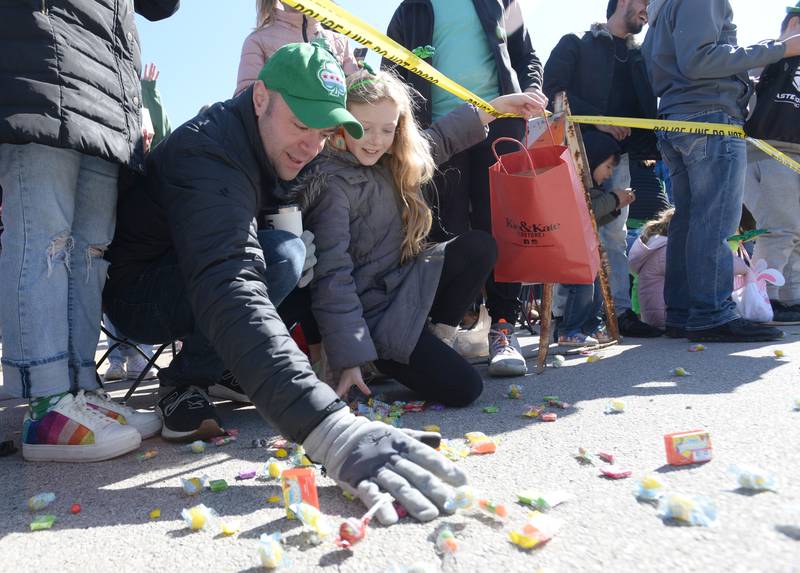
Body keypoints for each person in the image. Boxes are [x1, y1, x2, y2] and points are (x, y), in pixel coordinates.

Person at [104, 42, 470, 525]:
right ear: (260, 98)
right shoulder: (208, 150)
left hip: (200, 275)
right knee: (281, 258)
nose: (310, 146)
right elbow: (231, 283)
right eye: (300, 126)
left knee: (292, 255)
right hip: (140, 293)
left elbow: (406, 151)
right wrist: (328, 428)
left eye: (322, 132)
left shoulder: (291, 146)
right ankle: (184, 380)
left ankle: (237, 363)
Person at [0, 0, 179, 463]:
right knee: (44, 237)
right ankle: (45, 399)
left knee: (90, 250)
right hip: (38, 48)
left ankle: (81, 386)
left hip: (108, 74)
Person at [298, 69, 542, 403]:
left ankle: (437, 337)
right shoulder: (332, 183)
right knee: (465, 388)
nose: (375, 140)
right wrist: (350, 357)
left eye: (387, 129)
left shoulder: (393, 158)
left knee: (480, 247)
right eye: (364, 128)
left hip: (406, 285)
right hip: (374, 318)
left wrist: (495, 107)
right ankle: (378, 358)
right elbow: (332, 277)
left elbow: (441, 138)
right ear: (342, 123)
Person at [384, 0, 548, 377]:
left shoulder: (503, 2)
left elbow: (528, 56)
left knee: (502, 227)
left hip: (503, 124)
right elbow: (389, 78)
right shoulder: (409, 12)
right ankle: (451, 330)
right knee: (448, 235)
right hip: (440, 137)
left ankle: (504, 328)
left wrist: (533, 90)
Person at [643, 0, 800, 342]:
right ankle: (711, 314)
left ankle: (685, 314)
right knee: (714, 221)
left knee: (690, 219)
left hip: (676, 116)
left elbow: (664, 61)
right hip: (710, 117)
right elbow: (700, 60)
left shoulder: (663, 7)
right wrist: (781, 48)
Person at [543, 0, 662, 339]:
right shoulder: (575, 44)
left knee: (614, 235)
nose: (648, 10)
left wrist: (649, 146)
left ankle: (619, 312)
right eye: (644, 2)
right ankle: (564, 319)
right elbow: (554, 92)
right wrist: (601, 122)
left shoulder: (641, 58)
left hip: (620, 157)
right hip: (575, 154)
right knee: (571, 235)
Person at [743, 3, 800, 324]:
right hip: (767, 152)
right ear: (795, 23)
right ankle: (764, 299)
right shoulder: (766, 57)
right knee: (779, 230)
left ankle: (790, 298)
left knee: (796, 231)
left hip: (793, 156)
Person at [558, 131, 636, 346]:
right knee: (583, 289)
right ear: (591, 160)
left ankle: (590, 326)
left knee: (598, 289)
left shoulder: (593, 189)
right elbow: (586, 212)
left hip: (587, 249)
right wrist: (613, 199)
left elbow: (593, 220)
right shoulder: (577, 186)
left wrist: (615, 206)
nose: (610, 174)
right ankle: (569, 330)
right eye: (608, 166)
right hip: (572, 250)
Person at [234, 0, 357, 96]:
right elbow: (246, 102)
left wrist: (369, 85)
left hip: (333, 127)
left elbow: (356, 101)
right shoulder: (258, 40)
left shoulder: (340, 42)